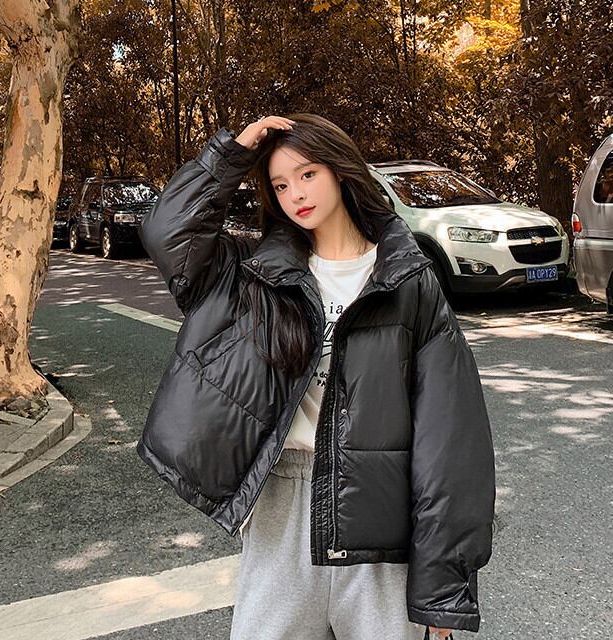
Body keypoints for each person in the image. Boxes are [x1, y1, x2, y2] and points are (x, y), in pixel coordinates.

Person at [136, 114, 496, 640]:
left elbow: (449, 440)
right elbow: (168, 233)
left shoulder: (408, 279)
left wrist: (441, 590)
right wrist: (232, 154)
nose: (296, 194)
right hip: (282, 505)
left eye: (307, 174)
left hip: (380, 516)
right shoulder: (255, 275)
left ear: (340, 169)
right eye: (280, 184)